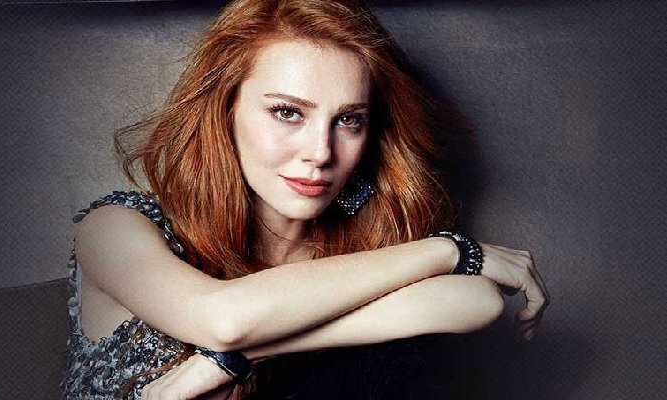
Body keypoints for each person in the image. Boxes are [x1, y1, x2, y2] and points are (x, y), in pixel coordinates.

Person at [61, 0, 550, 399]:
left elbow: (477, 300)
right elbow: (222, 321)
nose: (320, 153)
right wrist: (448, 250)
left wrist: (246, 356)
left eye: (348, 120)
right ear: (225, 109)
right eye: (287, 112)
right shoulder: (113, 228)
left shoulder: (356, 236)